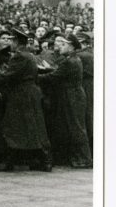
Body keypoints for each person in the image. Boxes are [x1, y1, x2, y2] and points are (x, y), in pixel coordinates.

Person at [0, 28, 52, 171]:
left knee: (15, 127)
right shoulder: (28, 55)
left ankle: (22, 161)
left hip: (21, 95)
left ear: (16, 42)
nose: (9, 43)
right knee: (31, 127)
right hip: (28, 93)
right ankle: (42, 160)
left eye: (11, 40)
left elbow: (7, 76)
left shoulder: (19, 56)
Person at [38, 34, 91, 168]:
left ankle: (84, 159)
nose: (60, 46)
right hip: (74, 94)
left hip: (72, 96)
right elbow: (60, 71)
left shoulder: (69, 61)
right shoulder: (73, 59)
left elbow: (55, 76)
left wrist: (36, 75)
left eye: (64, 44)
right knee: (76, 126)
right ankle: (79, 158)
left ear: (71, 46)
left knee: (76, 127)